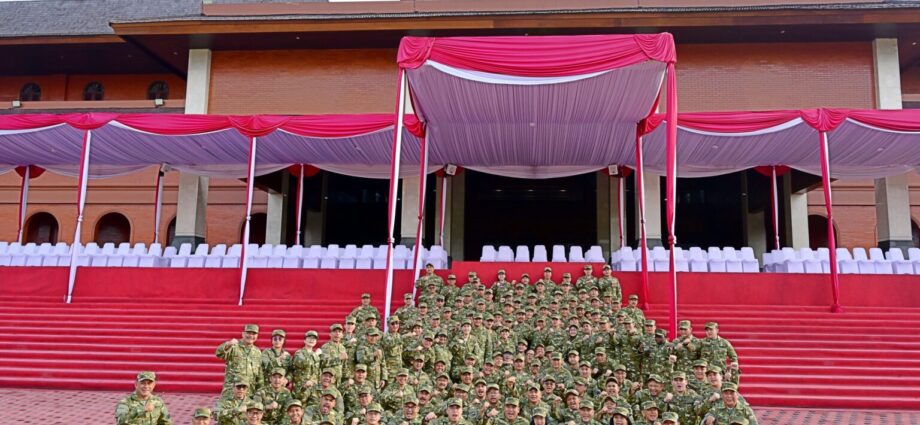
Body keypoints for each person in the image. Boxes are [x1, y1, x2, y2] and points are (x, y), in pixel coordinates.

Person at [216, 324, 263, 394]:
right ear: (243, 334)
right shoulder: (234, 347)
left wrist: (260, 391)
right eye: (248, 333)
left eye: (254, 334)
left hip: (249, 392)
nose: (251, 336)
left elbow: (259, 374)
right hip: (232, 391)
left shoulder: (257, 352)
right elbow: (219, 353)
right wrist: (228, 344)